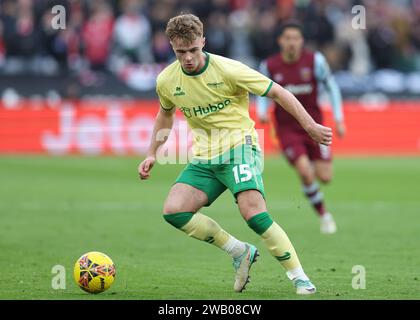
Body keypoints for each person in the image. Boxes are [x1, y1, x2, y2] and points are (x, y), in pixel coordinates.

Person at [138, 14, 333, 295]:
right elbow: (165, 115)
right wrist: (152, 153)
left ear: (203, 42)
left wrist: (310, 126)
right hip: (205, 158)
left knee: (253, 213)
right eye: (181, 52)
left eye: (193, 50)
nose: (189, 58)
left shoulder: (229, 70)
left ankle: (299, 276)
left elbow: (279, 93)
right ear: (171, 46)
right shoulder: (167, 80)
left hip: (240, 148)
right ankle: (238, 250)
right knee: (174, 211)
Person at [257, 21, 345, 234]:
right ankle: (324, 215)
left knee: (325, 177)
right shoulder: (269, 65)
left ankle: (311, 182)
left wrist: (339, 118)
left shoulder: (315, 61)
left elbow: (331, 86)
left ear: (302, 40)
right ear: (280, 41)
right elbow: (261, 89)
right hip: (287, 130)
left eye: (295, 38)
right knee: (305, 171)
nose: (292, 43)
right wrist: (262, 110)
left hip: (316, 127)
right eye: (287, 38)